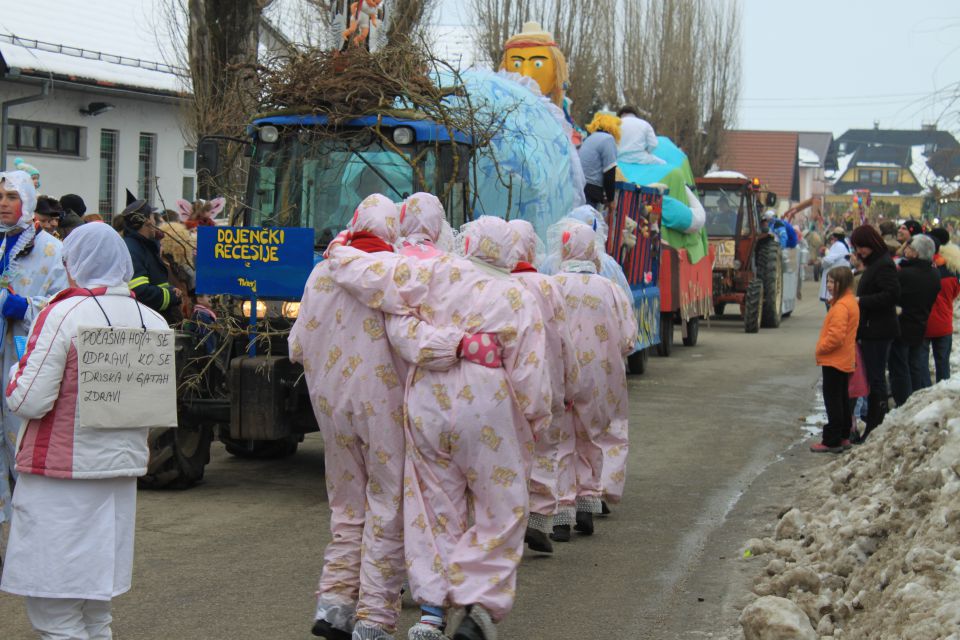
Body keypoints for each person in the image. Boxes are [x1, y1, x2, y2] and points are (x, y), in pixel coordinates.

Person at [323, 215, 551, 640]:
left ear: (468, 242)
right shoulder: (518, 297)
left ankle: (432, 611)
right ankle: (479, 604)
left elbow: (376, 278)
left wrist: (339, 251)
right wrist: (535, 422)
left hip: (428, 403)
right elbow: (532, 377)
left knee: (432, 508)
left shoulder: (434, 272)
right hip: (491, 407)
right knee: (501, 507)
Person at [1, 222, 169, 639]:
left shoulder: (63, 313)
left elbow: (28, 400)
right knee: (96, 611)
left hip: (60, 480)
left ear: (74, 263)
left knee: (54, 612)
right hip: (118, 477)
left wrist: (15, 371)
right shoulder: (152, 320)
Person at [290, 194, 414, 640]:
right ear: (393, 230)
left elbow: (296, 346)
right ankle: (374, 618)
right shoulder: (401, 274)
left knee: (346, 505)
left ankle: (334, 605)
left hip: (332, 407)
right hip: (387, 407)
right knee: (388, 504)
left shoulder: (322, 273)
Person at [547, 222, 635, 535]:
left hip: (561, 374)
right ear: (592, 249)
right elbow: (628, 338)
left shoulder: (551, 286)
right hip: (602, 375)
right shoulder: (610, 289)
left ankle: (561, 511)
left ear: (564, 249)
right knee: (595, 436)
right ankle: (589, 500)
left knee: (562, 439)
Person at [504, 218, 585, 549]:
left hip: (501, 383)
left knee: (507, 452)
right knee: (546, 448)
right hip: (545, 380)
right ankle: (538, 517)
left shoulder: (492, 283)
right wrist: (570, 385)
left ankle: (508, 522)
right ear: (532, 247)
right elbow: (564, 338)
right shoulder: (547, 285)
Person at [0, 171, 67, 534]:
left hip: (24, 361)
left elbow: (63, 306)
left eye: (11, 196)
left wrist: (22, 306)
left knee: (21, 444)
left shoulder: (52, 249)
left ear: (27, 200)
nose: (3, 203)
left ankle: (30, 534)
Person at [849, 224, 900, 441]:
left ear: (871, 243)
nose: (859, 251)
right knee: (873, 378)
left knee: (876, 379)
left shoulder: (883, 265)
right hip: (872, 329)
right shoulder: (875, 263)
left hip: (878, 331)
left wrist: (861, 301)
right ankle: (873, 423)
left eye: (862, 247)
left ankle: (875, 425)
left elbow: (891, 295)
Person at [888, 235, 940, 407]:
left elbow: (894, 298)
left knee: (900, 367)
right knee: (914, 366)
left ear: (916, 253)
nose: (906, 249)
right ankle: (915, 403)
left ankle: (904, 403)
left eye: (910, 248)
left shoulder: (906, 274)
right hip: (920, 324)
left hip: (902, 325)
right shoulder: (934, 274)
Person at [811, 266, 859, 453]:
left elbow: (836, 337)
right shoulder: (848, 302)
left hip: (834, 359)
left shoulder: (841, 306)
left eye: (833, 282)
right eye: (828, 281)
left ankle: (832, 439)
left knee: (833, 400)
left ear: (843, 283)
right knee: (841, 398)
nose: (829, 286)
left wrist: (820, 348)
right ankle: (844, 435)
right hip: (843, 358)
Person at [119, 194, 183, 324]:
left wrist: (170, 289)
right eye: (153, 217)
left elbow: (154, 280)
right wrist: (170, 296)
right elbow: (140, 292)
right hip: (149, 323)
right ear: (147, 221)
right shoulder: (133, 249)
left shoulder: (144, 245)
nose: (155, 222)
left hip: (155, 319)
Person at [923, 229, 960, 383]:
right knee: (942, 364)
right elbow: (955, 294)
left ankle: (923, 393)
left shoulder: (924, 269)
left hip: (923, 322)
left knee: (921, 363)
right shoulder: (953, 270)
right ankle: (941, 391)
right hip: (944, 322)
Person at [579, 112, 621, 215]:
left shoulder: (590, 138)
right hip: (592, 190)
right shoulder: (608, 140)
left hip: (580, 186)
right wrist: (611, 199)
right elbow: (609, 173)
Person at [819, 228, 850, 308]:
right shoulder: (845, 244)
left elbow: (828, 260)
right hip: (840, 275)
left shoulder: (838, 245)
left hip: (834, 276)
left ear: (835, 237)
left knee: (832, 305)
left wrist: (822, 261)